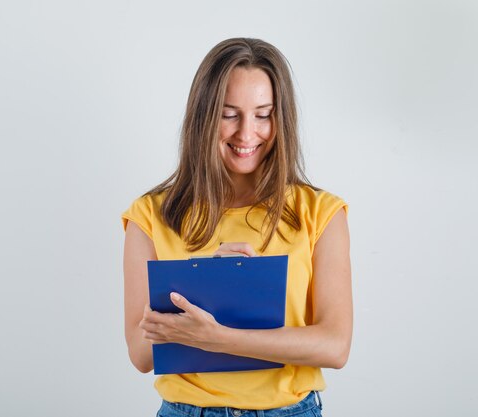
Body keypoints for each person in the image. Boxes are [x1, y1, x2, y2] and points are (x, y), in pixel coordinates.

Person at [121, 37, 352, 417]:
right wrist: (204, 282)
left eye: (263, 114)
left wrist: (220, 338)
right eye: (229, 114)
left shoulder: (321, 213)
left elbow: (335, 346)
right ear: (204, 116)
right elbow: (141, 355)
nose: (247, 134)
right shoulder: (150, 216)